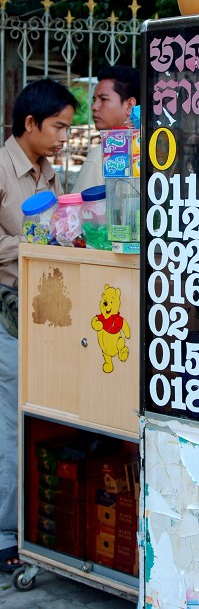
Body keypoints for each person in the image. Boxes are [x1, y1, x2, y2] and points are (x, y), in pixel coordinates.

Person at [0, 78, 77, 571]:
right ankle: (6, 534)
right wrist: (33, 241)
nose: (64, 137)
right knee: (10, 421)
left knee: (39, 414)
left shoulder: (50, 174)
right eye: (58, 127)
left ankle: (35, 522)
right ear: (29, 123)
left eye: (68, 128)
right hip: (5, 311)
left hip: (44, 310)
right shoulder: (2, 169)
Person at [73, 65, 140, 193]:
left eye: (103, 99)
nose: (94, 107)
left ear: (129, 105)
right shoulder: (153, 147)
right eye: (94, 100)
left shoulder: (102, 155)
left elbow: (83, 205)